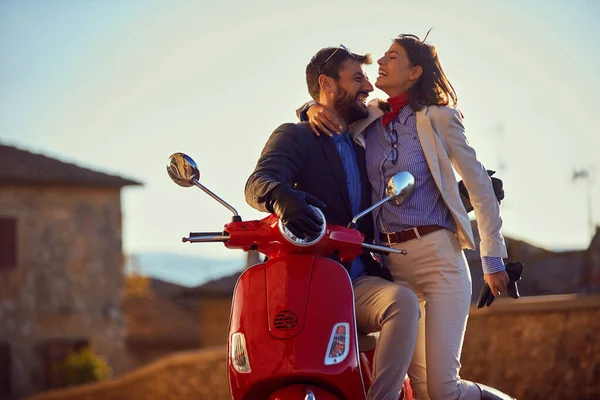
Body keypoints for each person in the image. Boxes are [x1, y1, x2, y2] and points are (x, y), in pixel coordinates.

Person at [300, 36, 516, 400]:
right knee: (421, 390)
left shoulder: (440, 119)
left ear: (415, 72)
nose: (381, 61)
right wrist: (308, 107)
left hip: (440, 260)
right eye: (383, 54)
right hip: (394, 265)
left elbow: (480, 187)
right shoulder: (367, 117)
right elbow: (332, 106)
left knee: (445, 389)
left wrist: (493, 259)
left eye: (393, 56)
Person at [245, 46, 420, 400]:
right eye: (357, 78)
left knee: (403, 302)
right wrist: (281, 198)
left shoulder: (364, 144)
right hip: (305, 288)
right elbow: (258, 182)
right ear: (326, 83)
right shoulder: (296, 136)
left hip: (354, 282)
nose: (368, 86)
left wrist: (461, 196)